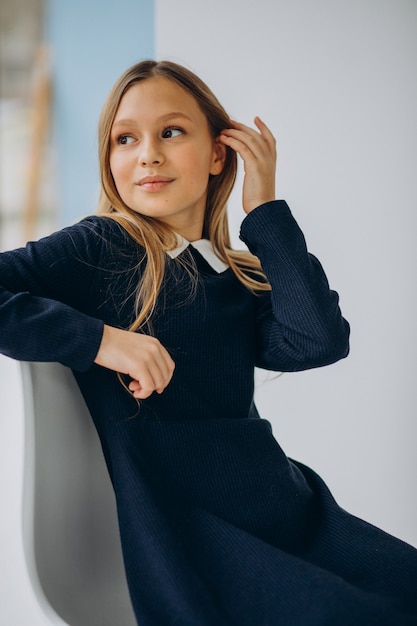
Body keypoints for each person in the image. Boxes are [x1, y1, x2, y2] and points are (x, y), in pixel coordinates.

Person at [1, 59, 416, 626]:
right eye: (126, 139)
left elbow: (318, 341)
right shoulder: (100, 248)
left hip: (288, 507)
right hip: (195, 531)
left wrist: (265, 211)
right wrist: (101, 341)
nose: (147, 153)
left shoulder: (237, 275)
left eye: (171, 132)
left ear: (219, 153)